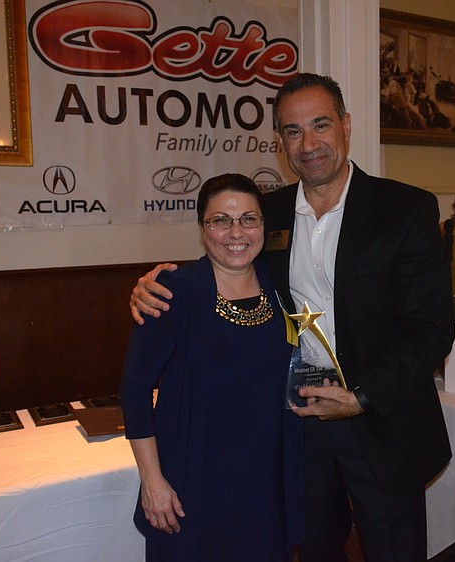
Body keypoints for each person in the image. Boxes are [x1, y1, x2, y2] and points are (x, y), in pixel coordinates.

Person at [130, 73, 454, 562]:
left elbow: (431, 329)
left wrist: (361, 397)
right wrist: (155, 285)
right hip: (300, 425)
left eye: (321, 125)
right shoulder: (269, 213)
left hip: (383, 419)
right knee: (315, 549)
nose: (309, 144)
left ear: (346, 126)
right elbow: (227, 261)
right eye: (293, 131)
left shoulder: (405, 208)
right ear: (279, 142)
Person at [120, 173, 303, 562]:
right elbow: (134, 388)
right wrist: (152, 480)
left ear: (263, 226)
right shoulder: (173, 291)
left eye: (249, 219)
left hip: (265, 482)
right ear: (203, 228)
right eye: (220, 220)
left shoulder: (279, 284)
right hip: (193, 479)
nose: (236, 232)